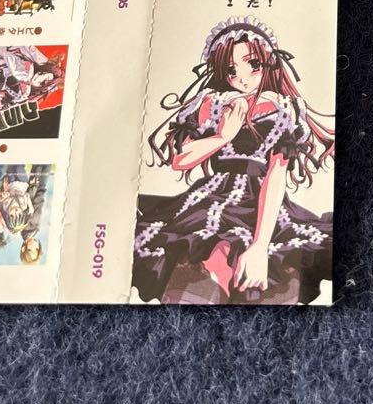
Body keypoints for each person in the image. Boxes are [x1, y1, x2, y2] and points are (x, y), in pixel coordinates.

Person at [133, 19, 334, 305]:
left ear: (269, 62)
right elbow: (181, 160)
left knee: (270, 279)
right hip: (210, 201)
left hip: (265, 206)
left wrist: (260, 246)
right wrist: (222, 137)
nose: (243, 78)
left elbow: (276, 174)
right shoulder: (211, 103)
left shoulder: (283, 109)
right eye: (231, 70)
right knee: (198, 273)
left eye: (253, 64)